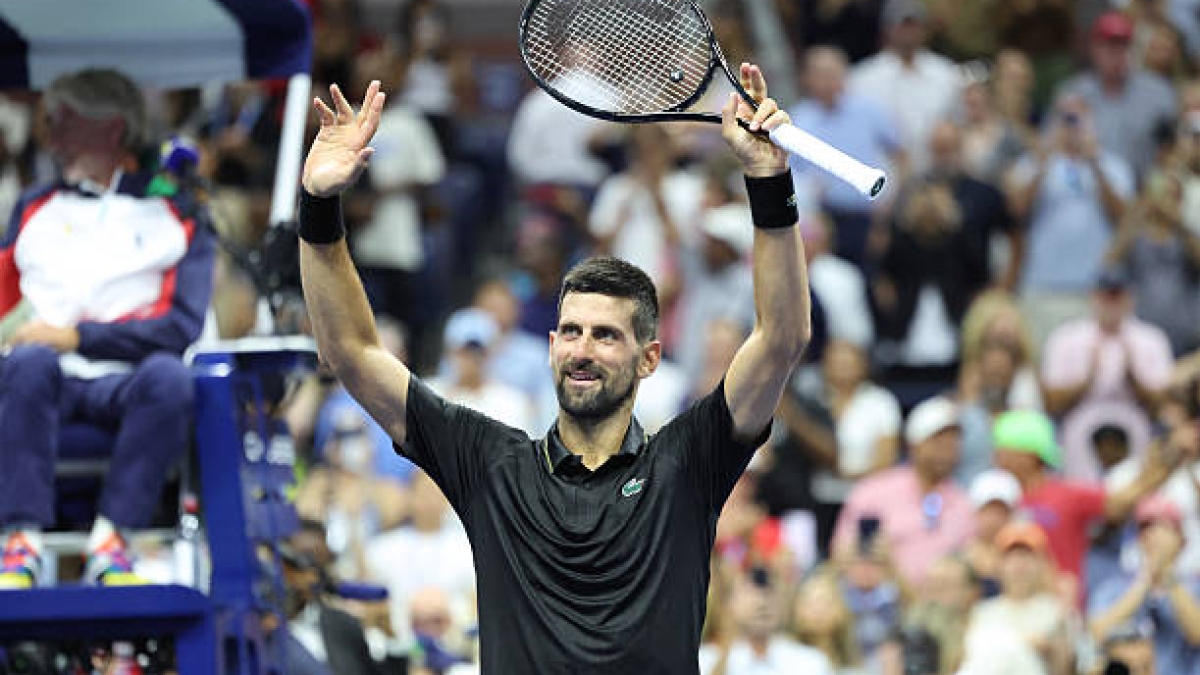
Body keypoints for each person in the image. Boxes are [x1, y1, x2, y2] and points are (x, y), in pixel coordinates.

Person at [296, 62, 812, 674]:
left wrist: (766, 179)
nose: (583, 348)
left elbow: (781, 337)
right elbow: (352, 354)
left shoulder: (687, 462)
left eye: (605, 335)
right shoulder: (489, 463)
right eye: (571, 331)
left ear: (650, 357)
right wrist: (319, 205)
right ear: (550, 346)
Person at [0, 69, 216, 589]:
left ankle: (113, 544)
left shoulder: (177, 211)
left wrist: (78, 337)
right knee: (27, 363)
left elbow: (181, 327)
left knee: (170, 377)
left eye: (64, 122)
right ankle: (17, 545)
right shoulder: (34, 204)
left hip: (128, 379)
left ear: (113, 128)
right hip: (38, 373)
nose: (52, 138)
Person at [1040, 268, 1174, 481]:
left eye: (1117, 294)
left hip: (1134, 420)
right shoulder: (1066, 337)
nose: (1111, 301)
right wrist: (1086, 381)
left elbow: (1163, 404)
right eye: (1106, 295)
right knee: (1074, 435)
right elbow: (1051, 403)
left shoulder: (1151, 339)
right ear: (1093, 296)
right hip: (1081, 420)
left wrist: (1133, 379)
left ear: (1129, 297)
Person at [832, 397, 974, 588]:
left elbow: (967, 567)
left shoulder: (963, 503)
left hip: (940, 605)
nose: (946, 449)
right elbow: (841, 555)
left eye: (952, 442)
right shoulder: (873, 491)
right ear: (913, 445)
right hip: (878, 597)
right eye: (938, 440)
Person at [1088, 498, 1200, 675]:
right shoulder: (1114, 587)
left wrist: (1168, 577)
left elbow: (1197, 633)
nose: (1153, 535)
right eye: (1146, 528)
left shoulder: (1195, 586)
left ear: (1181, 539)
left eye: (1163, 527)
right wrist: (1146, 581)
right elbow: (1096, 634)